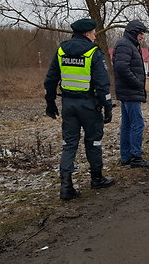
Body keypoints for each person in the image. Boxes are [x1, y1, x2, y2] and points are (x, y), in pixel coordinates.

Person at [44, 18, 114, 200]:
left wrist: (50, 103)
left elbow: (51, 79)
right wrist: (107, 107)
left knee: (69, 144)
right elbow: (102, 84)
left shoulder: (61, 51)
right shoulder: (93, 53)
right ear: (86, 33)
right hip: (89, 105)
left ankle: (66, 187)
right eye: (93, 34)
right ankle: (97, 178)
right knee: (93, 142)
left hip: (68, 105)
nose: (94, 37)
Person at [113, 20, 149, 168]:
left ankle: (126, 156)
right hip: (130, 92)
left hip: (127, 91)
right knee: (137, 124)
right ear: (134, 33)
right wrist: (137, 83)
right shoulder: (125, 44)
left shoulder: (128, 44)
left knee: (127, 125)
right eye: (141, 33)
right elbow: (121, 67)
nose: (142, 36)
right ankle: (136, 156)